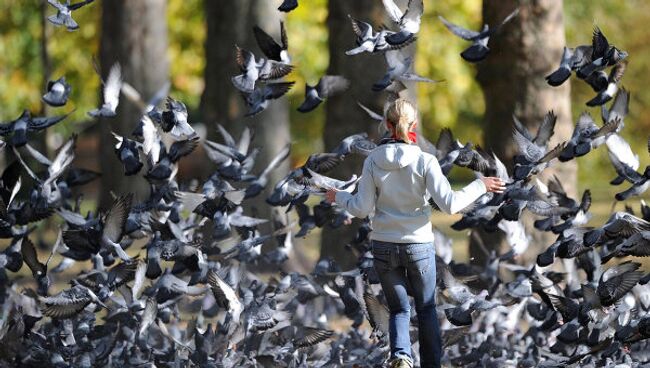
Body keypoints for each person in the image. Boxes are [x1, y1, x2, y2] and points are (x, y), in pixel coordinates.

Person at [325, 99, 505, 368]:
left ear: (386, 125)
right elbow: (451, 204)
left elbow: (361, 209)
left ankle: (401, 357)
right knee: (427, 309)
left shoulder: (373, 160)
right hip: (418, 246)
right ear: (414, 125)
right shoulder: (425, 160)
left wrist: (338, 197)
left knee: (398, 309)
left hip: (384, 246)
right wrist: (480, 185)